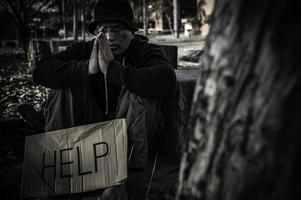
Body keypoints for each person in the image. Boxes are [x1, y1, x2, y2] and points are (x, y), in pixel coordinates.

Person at [32, 0, 176, 199]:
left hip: (133, 131)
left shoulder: (143, 51)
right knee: (62, 90)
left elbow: (167, 80)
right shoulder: (86, 49)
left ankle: (120, 181)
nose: (110, 37)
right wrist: (87, 69)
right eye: (103, 29)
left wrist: (113, 70)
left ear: (131, 31)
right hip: (93, 131)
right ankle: (60, 175)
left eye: (117, 29)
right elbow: (41, 72)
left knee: (139, 94)